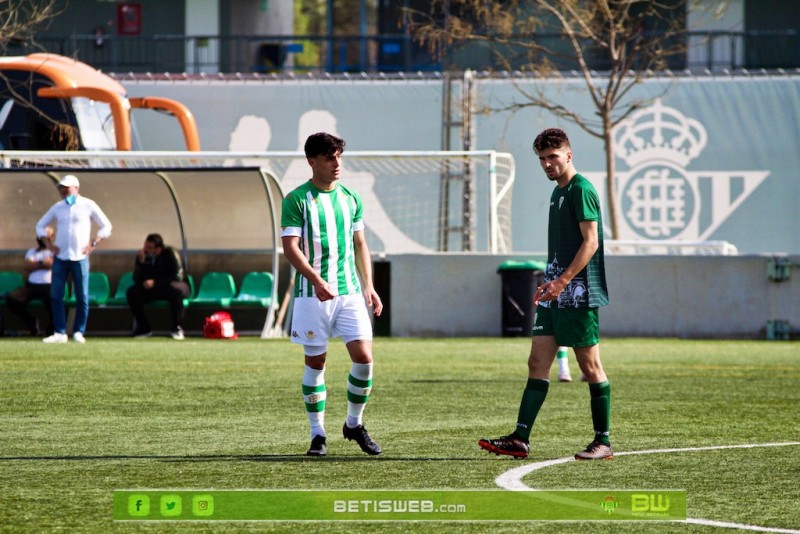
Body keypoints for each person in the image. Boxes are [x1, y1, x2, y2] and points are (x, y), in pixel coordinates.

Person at [478, 128, 612, 460]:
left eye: (553, 157)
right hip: (555, 290)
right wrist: (552, 280)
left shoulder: (582, 190)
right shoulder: (558, 193)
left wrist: (564, 281)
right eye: (542, 159)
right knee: (537, 361)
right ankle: (520, 438)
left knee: (589, 365)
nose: (547, 164)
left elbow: (590, 242)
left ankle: (603, 441)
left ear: (569, 155)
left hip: (577, 292)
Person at [281, 132, 384, 457]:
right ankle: (317, 434)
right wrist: (315, 279)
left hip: (350, 293)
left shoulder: (351, 198)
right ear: (312, 161)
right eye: (329, 157)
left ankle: (353, 424)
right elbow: (290, 248)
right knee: (316, 361)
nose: (336, 163)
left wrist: (369, 285)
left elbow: (360, 244)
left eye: (339, 156)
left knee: (364, 360)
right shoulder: (297, 199)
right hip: (312, 296)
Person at [36, 174, 112, 344]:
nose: (63, 191)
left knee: (82, 296)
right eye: (62, 188)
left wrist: (94, 242)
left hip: (80, 257)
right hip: (61, 257)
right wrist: (48, 244)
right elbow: (40, 225)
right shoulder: (58, 207)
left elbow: (106, 225)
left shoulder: (88, 205)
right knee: (56, 295)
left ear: (76, 188)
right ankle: (60, 332)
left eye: (67, 187)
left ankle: (79, 331)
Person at [126, 233, 190, 340]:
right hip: (155, 289)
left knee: (175, 292)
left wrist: (155, 282)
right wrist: (141, 264)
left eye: (150, 248)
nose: (147, 250)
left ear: (159, 249)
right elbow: (136, 279)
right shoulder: (143, 256)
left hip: (171, 285)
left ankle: (177, 328)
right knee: (132, 292)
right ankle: (144, 328)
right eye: (146, 247)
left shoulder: (170, 253)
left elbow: (177, 276)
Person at [5, 227, 56, 336]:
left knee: (54, 302)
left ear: (51, 238)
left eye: (46, 237)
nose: (43, 239)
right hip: (31, 286)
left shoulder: (55, 251)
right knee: (11, 299)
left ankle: (52, 329)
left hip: (49, 286)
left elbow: (51, 264)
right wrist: (43, 263)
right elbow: (26, 266)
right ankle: (31, 322)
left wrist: (36, 264)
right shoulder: (31, 251)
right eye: (41, 236)